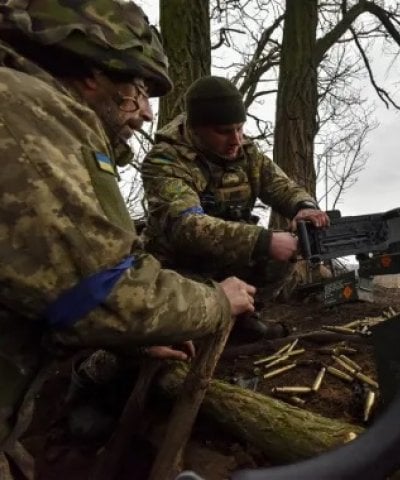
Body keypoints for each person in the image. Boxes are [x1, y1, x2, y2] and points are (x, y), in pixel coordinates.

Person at [0, 1, 255, 477]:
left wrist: (302, 206)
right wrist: (216, 303)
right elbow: (101, 295)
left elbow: (36, 279)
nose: (143, 112)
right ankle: (85, 411)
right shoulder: (28, 115)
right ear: (94, 73)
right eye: (136, 89)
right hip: (163, 278)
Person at [141, 75, 331, 305]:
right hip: (179, 266)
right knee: (267, 247)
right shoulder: (164, 161)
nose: (236, 140)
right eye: (224, 132)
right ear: (195, 128)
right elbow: (185, 226)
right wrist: (263, 240)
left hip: (229, 258)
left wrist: (304, 207)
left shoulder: (247, 152)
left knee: (280, 258)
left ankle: (246, 315)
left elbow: (281, 186)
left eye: (240, 129)